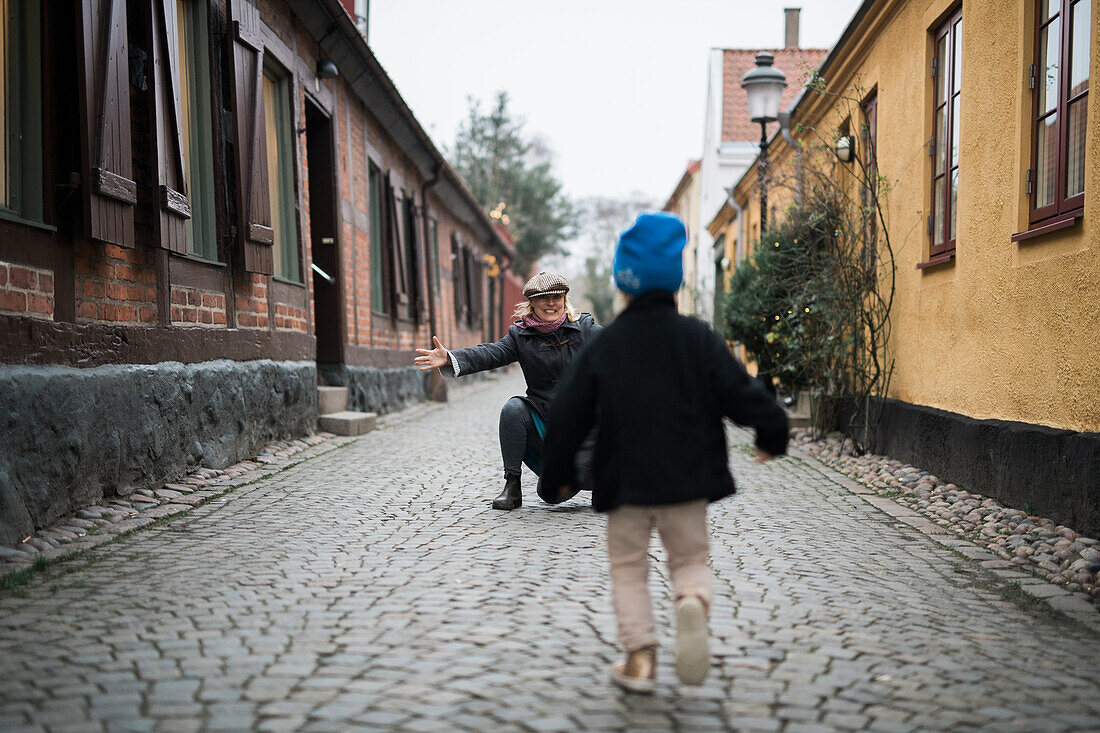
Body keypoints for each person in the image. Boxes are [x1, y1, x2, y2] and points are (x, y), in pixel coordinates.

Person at [540, 212, 789, 693]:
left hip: (625, 482)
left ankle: (640, 660)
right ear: (673, 281)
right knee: (691, 559)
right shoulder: (698, 339)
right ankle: (691, 599)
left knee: (629, 569)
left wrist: (558, 479)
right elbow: (742, 392)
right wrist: (771, 434)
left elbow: (568, 414)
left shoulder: (604, 345)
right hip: (687, 480)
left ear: (623, 284)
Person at [413, 272, 602, 510]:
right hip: (546, 423)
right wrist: (451, 357)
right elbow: (489, 352)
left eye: (557, 297)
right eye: (544, 298)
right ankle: (512, 487)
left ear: (565, 299)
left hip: (587, 429)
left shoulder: (584, 329)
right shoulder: (521, 336)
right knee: (514, 410)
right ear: (532, 303)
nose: (551, 303)